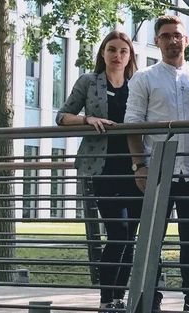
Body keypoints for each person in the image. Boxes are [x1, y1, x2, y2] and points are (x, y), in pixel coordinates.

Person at [55, 31, 143, 313]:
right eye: (112, 50)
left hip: (135, 166)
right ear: (102, 53)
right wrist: (86, 119)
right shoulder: (89, 82)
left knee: (131, 236)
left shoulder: (137, 84)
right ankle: (107, 300)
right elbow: (61, 116)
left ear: (130, 56)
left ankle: (120, 298)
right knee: (117, 232)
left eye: (123, 51)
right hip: (102, 167)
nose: (117, 55)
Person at [123, 16, 189, 311]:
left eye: (178, 36)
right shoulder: (143, 78)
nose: (173, 41)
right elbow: (132, 124)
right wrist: (139, 166)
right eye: (166, 36)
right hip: (158, 170)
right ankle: (150, 299)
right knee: (151, 241)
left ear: (186, 40)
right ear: (157, 41)